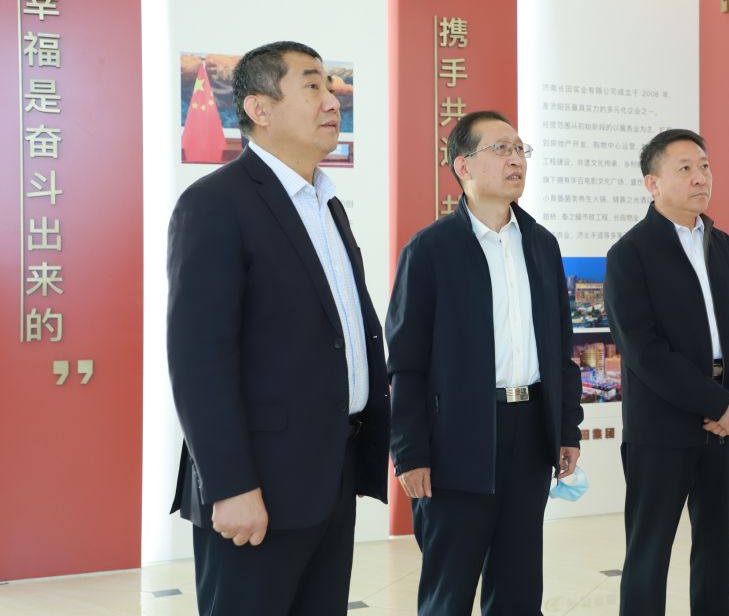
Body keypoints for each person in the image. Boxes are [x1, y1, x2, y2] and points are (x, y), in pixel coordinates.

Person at [166, 41, 390, 615]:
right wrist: (230, 485)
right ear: (260, 109)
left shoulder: (325, 203)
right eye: (312, 85)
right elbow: (198, 360)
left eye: (332, 86)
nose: (333, 100)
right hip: (257, 488)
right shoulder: (216, 203)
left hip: (330, 474)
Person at [386, 110, 584, 615]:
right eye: (500, 149)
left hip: (530, 431)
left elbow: (560, 349)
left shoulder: (541, 244)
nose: (516, 159)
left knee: (519, 587)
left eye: (520, 149)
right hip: (457, 438)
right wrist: (410, 453)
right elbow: (405, 362)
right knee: (449, 590)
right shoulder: (430, 250)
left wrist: (567, 429)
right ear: (464, 166)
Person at [605, 129, 729, 616]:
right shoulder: (630, 254)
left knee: (717, 551)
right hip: (663, 427)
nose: (700, 178)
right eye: (685, 169)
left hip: (728, 425)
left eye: (704, 166)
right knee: (648, 553)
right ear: (652, 183)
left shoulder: (724, 247)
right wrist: (716, 403)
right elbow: (644, 351)